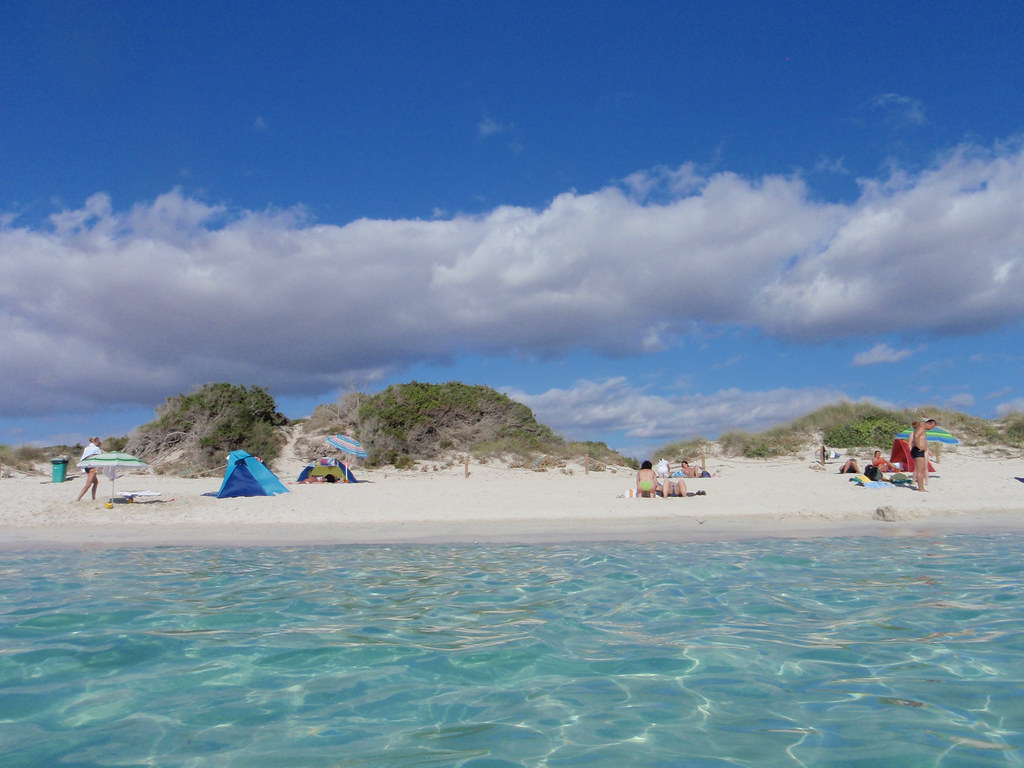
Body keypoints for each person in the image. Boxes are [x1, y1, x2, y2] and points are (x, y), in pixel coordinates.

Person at [911, 418, 935, 491]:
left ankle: (921, 487)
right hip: (918, 451)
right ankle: (921, 488)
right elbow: (916, 436)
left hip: (919, 451)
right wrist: (919, 446)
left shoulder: (921, 427)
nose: (931, 429)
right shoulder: (921, 427)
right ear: (928, 423)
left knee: (922, 469)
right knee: (920, 470)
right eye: (931, 427)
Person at [75, 437, 103, 501]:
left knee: (96, 482)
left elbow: (86, 457)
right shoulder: (95, 449)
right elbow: (94, 457)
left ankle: (93, 498)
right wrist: (96, 468)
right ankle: (78, 498)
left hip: (87, 467)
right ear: (95, 441)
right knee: (88, 485)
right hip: (92, 468)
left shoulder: (88, 448)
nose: (100, 442)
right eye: (99, 441)